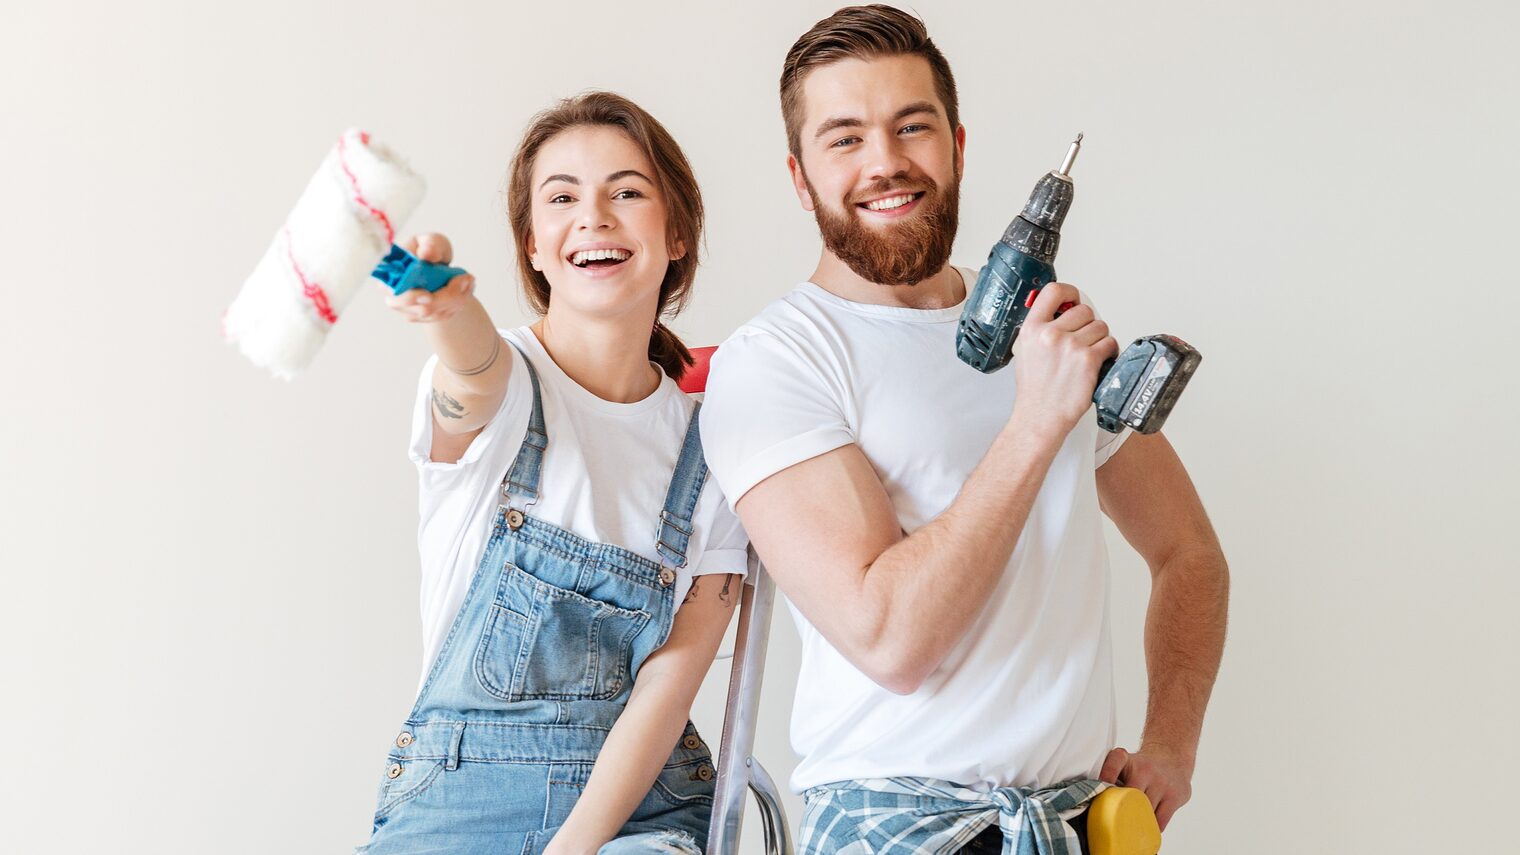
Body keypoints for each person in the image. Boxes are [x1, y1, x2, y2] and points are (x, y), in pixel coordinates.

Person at [699, 6, 1230, 854]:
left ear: (957, 145)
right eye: (845, 138)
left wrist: (1173, 741)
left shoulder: (1040, 331)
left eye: (913, 126)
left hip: (1079, 824)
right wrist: (1035, 420)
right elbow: (890, 637)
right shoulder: (776, 363)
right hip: (904, 829)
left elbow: (1188, 553)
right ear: (800, 179)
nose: (886, 162)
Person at [356, 91, 746, 855]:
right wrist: (446, 309)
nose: (594, 216)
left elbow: (670, 687)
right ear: (533, 244)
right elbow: (470, 371)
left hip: (634, 816)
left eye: (626, 191)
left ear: (677, 232)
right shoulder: (508, 385)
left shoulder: (715, 448)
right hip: (454, 810)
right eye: (562, 197)